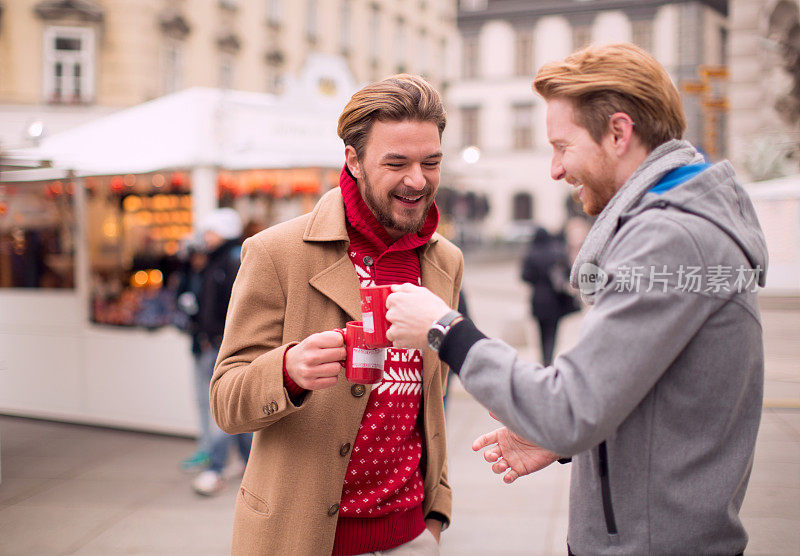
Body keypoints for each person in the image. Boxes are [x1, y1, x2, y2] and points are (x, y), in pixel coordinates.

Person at [384, 43, 767, 555]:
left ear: (618, 133)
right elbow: (647, 396)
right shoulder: (681, 223)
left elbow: (570, 406)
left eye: (562, 146)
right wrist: (565, 439)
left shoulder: (671, 239)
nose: (555, 169)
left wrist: (447, 331)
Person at [210, 74, 463, 555]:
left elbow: (433, 401)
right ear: (353, 160)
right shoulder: (276, 252)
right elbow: (226, 400)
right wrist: (286, 370)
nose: (418, 180)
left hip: (410, 535)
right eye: (396, 163)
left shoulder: (444, 260)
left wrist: (435, 514)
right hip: (301, 539)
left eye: (431, 162)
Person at [188, 208, 253, 496]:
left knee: (224, 409)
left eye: (210, 230)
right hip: (211, 343)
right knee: (232, 409)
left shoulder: (232, 260)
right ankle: (251, 464)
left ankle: (215, 469)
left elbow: (239, 308)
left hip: (223, 346)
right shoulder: (214, 261)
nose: (206, 236)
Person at [521, 227, 579, 366]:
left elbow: (525, 276)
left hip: (538, 300)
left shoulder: (531, 254)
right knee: (552, 333)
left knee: (541, 332)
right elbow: (568, 274)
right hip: (555, 300)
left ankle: (544, 359)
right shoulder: (557, 252)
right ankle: (549, 359)